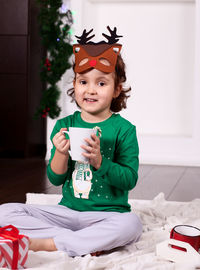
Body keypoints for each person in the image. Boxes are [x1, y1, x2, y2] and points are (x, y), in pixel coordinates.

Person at [0, 27, 142, 257]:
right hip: (66, 213)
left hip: (107, 215)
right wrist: (61, 153)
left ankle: (48, 244)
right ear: (74, 85)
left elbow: (129, 179)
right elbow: (55, 178)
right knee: (4, 212)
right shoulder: (64, 125)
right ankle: (82, 242)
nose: (90, 90)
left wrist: (99, 161)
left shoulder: (124, 130)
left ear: (117, 89)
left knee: (132, 225)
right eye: (83, 81)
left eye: (101, 83)